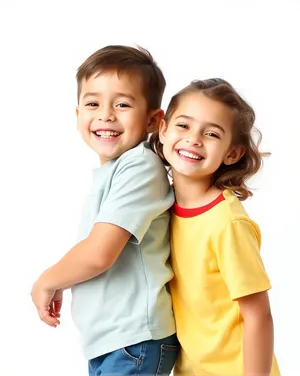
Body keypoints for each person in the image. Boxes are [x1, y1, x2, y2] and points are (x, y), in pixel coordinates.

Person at [31, 45, 179, 376]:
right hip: (116, 342)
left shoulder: (139, 166)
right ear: (78, 114)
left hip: (135, 341)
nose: (106, 115)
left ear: (154, 120)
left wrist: (47, 280)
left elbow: (99, 253)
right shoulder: (115, 172)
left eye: (123, 104)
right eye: (93, 103)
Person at [150, 78, 280, 376]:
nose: (193, 139)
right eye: (183, 126)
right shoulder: (161, 207)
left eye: (211, 133)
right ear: (163, 129)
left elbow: (258, 314)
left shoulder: (227, 223)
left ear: (231, 154)